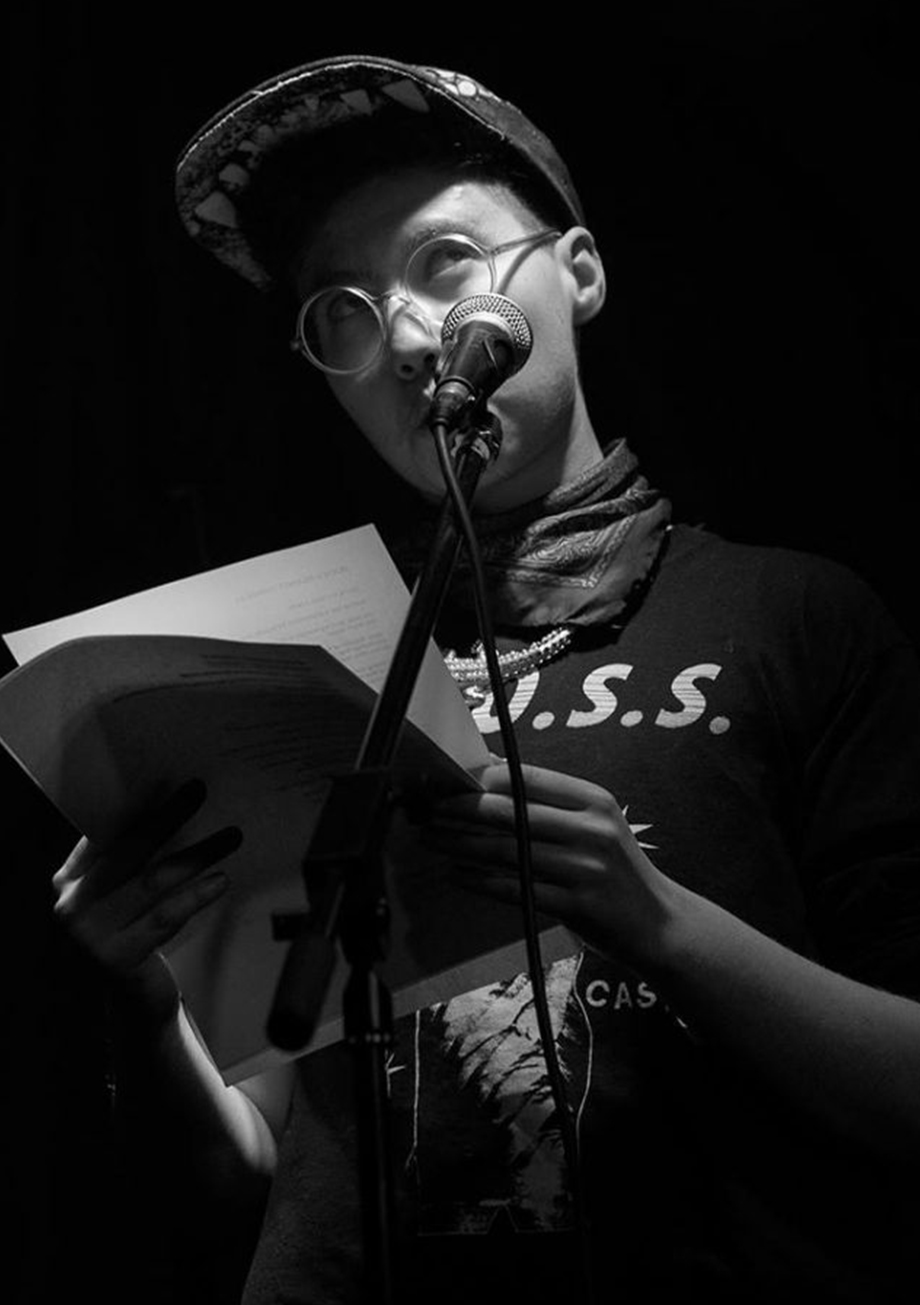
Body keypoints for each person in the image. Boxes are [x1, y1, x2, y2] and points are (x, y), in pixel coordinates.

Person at [52, 54, 920, 1304]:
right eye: (341, 312)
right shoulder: (309, 667)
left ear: (578, 273)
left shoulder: (792, 615)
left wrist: (658, 920)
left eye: (446, 261)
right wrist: (139, 1001)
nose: (408, 339)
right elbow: (248, 1168)